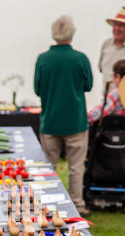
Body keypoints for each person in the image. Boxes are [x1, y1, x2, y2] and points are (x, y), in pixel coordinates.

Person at [33, 15, 93, 217]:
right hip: (75, 121)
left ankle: (47, 205)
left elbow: (37, 89)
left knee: (49, 167)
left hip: (50, 121)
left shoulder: (43, 59)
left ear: (54, 34)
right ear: (72, 33)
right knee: (76, 167)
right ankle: (77, 204)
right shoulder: (80, 59)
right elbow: (89, 85)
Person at [99, 8, 125, 94]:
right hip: (107, 98)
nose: (116, 28)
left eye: (121, 25)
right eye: (115, 24)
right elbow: (101, 69)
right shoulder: (106, 44)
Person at [88, 59, 125, 124]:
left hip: (115, 130)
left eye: (112, 75)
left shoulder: (116, 94)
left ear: (118, 76)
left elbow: (98, 114)